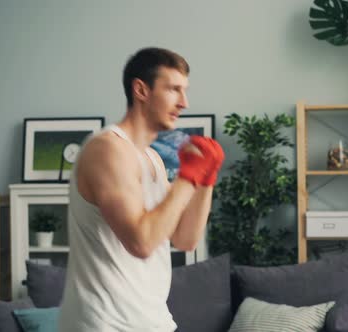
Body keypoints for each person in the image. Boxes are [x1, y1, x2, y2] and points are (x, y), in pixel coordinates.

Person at [57, 47, 224, 331]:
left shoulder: (152, 158)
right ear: (141, 90)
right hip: (105, 324)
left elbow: (185, 240)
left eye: (185, 90)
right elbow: (141, 242)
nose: (184, 102)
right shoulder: (107, 149)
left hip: (151, 319)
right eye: (173, 89)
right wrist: (188, 177)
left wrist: (205, 180)